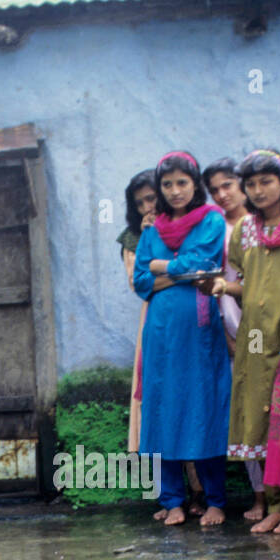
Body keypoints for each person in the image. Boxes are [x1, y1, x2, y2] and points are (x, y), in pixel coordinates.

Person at [212, 150, 280, 534]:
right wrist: (223, 286)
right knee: (260, 417)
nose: (258, 190)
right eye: (251, 184)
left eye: (266, 181)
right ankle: (273, 504)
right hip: (253, 336)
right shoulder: (245, 231)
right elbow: (244, 283)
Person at [133, 151, 230, 526]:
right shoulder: (152, 229)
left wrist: (161, 267)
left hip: (199, 328)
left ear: (195, 186)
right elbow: (141, 281)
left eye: (182, 183)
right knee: (162, 410)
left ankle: (216, 500)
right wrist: (174, 270)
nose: (175, 191)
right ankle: (171, 500)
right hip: (160, 332)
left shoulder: (210, 220)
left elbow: (203, 265)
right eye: (168, 184)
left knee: (204, 408)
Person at [203, 156, 266, 523]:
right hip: (229, 329)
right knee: (243, 415)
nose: (222, 194)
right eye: (215, 190)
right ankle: (259, 496)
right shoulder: (214, 229)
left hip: (260, 329)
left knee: (279, 407)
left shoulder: (260, 225)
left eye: (228, 185)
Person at [119, 170, 157, 455]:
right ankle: (174, 491)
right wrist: (148, 235)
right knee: (155, 397)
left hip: (198, 315)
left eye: (152, 199)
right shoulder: (134, 238)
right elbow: (141, 283)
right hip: (155, 317)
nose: (147, 208)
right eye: (140, 203)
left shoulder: (193, 226)